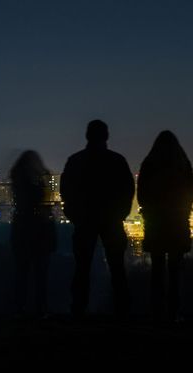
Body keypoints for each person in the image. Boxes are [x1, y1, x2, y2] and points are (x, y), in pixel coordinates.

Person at [60, 120, 135, 319]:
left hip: (85, 221)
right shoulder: (117, 161)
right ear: (106, 136)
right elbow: (128, 190)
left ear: (87, 136)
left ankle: (78, 310)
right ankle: (122, 310)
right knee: (117, 267)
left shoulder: (75, 161)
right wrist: (120, 214)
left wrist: (75, 215)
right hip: (111, 221)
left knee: (82, 267)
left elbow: (66, 191)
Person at [137, 131, 193, 324]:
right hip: (177, 223)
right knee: (175, 272)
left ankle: (156, 312)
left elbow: (142, 195)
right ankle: (173, 312)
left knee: (157, 270)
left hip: (156, 224)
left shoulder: (149, 165)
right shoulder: (182, 165)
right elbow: (190, 192)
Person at [10, 150, 56, 318]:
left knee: (22, 274)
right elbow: (44, 204)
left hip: (21, 233)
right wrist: (47, 180)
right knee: (40, 275)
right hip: (38, 234)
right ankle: (40, 309)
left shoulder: (17, 183)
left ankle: (20, 308)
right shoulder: (33, 185)